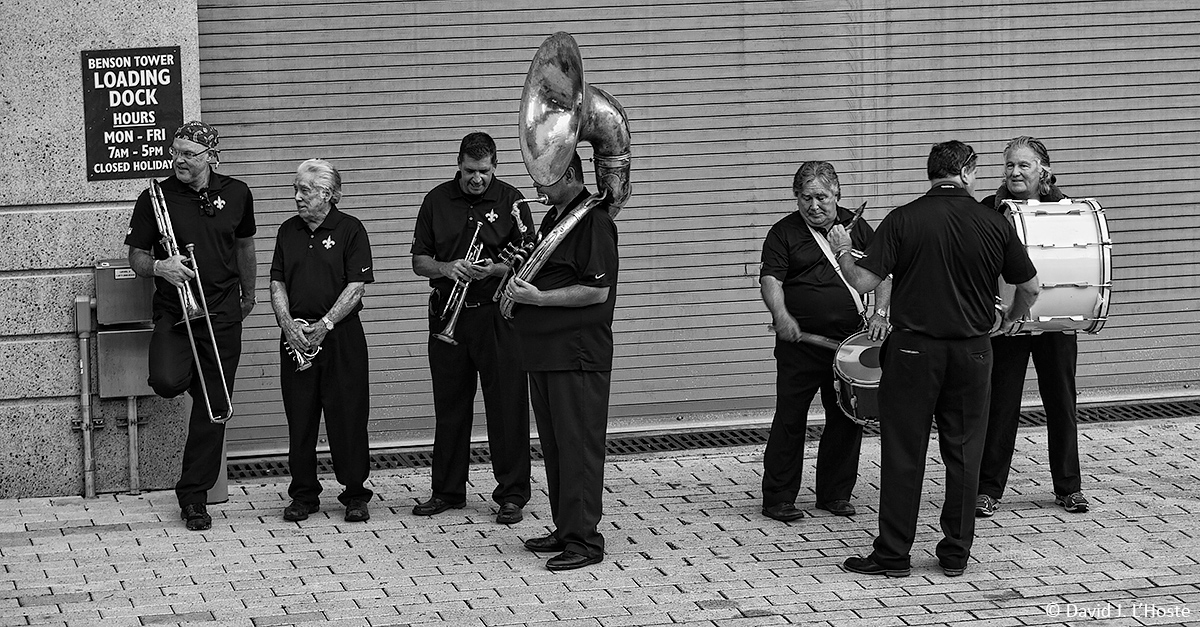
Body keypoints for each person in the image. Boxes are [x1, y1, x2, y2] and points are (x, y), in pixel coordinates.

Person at [828, 141, 1039, 577]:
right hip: (973, 351)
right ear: (966, 172)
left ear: (931, 173)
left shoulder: (903, 218)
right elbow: (1031, 287)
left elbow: (864, 281)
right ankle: (956, 554)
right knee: (964, 452)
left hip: (913, 352)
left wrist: (843, 248)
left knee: (904, 451)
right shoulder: (994, 222)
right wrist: (1011, 319)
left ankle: (893, 555)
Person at [125, 120, 257, 531]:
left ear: (211, 157)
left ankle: (194, 498)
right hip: (175, 312)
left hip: (222, 312)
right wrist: (160, 267)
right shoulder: (155, 197)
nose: (178, 160)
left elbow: (245, 246)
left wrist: (249, 296)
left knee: (213, 409)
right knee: (166, 380)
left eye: (188, 154)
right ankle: (198, 380)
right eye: (175, 152)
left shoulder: (238, 192)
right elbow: (135, 256)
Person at [410, 132, 534, 525]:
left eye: (483, 171)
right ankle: (447, 491)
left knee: (507, 407)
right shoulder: (436, 200)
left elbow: (531, 255)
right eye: (469, 171)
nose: (476, 178)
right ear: (458, 165)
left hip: (498, 316)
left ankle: (512, 495)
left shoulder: (513, 200)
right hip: (448, 315)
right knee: (450, 408)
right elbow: (419, 260)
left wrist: (496, 268)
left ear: (495, 166)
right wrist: (446, 267)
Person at [759, 161, 891, 522]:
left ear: (837, 195)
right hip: (799, 346)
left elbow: (883, 274)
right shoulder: (783, 233)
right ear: (796, 197)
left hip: (848, 345)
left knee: (847, 417)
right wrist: (781, 315)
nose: (814, 205)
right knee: (790, 418)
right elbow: (771, 280)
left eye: (821, 197)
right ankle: (778, 497)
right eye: (806, 198)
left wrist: (880, 314)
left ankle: (835, 494)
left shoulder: (857, 227)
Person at [505, 151, 618, 571]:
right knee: (555, 449)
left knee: (579, 449)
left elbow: (596, 291)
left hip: (577, 355)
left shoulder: (594, 221)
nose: (537, 185)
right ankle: (567, 527)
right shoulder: (556, 218)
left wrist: (538, 298)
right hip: (546, 354)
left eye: (544, 177)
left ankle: (585, 541)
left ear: (569, 175)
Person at [976, 137, 1088, 517]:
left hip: (1055, 321)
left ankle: (1069, 488)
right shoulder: (989, 210)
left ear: (1044, 170)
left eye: (1024, 165)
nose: (1015, 172)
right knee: (1000, 406)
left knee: (1061, 403)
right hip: (1008, 321)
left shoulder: (1067, 210)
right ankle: (988, 490)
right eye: (1009, 165)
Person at [270, 159, 374, 523]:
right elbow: (277, 282)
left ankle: (355, 493)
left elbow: (356, 286)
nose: (298, 197)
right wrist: (287, 325)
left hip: (341, 337)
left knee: (348, 417)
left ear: (328, 194)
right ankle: (303, 495)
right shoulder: (287, 231)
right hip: (297, 339)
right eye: (296, 190)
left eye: (305, 190)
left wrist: (326, 324)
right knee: (300, 419)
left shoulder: (350, 230)